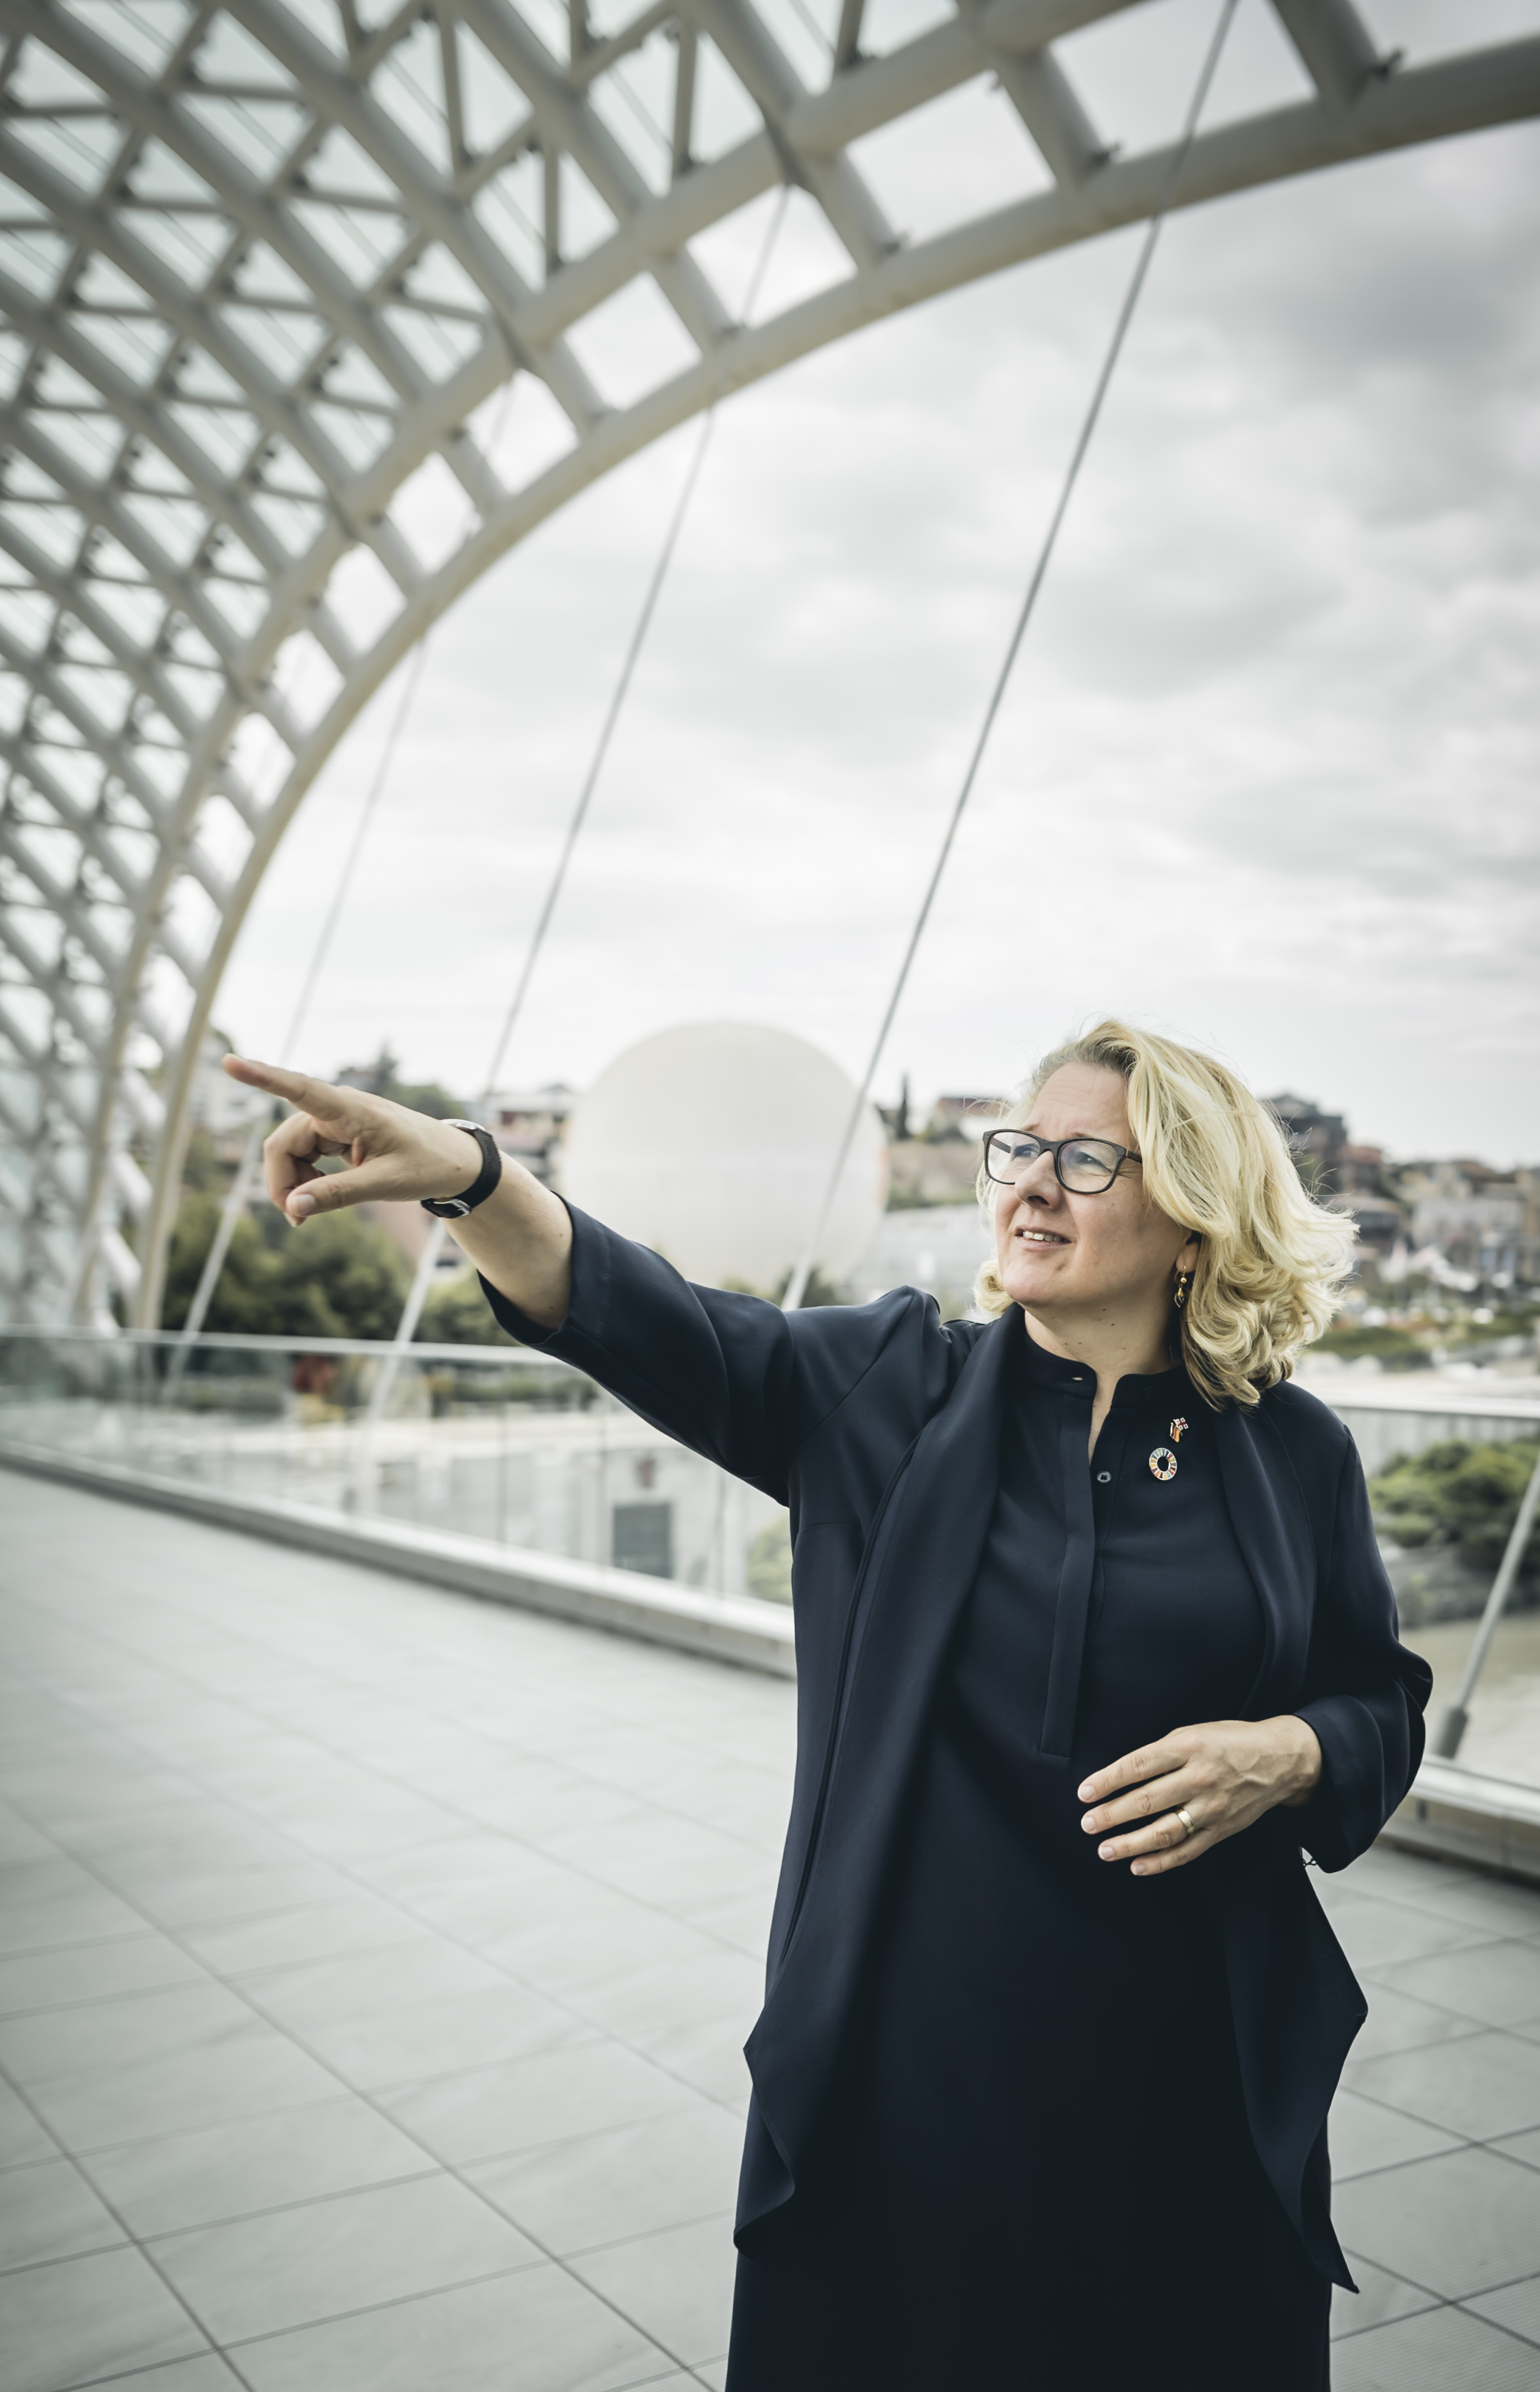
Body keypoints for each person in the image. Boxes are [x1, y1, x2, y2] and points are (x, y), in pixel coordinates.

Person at [226, 1020, 1429, 2391]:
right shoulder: (884, 1387)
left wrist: (1292, 1749)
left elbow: (1377, 1698)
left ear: (1195, 1216)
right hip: (908, 2076)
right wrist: (468, 1176)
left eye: (1086, 1158)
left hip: (1190, 2087)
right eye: (1019, 1147)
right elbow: (634, 1310)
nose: (1030, 1181)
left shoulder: (1293, 1450)